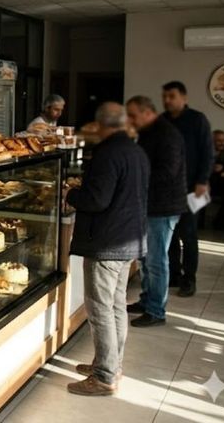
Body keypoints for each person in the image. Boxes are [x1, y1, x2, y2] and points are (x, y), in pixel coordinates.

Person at [65, 102, 149, 397]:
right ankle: (111, 363)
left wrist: (71, 193)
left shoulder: (108, 153)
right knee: (115, 307)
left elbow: (97, 200)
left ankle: (103, 377)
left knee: (99, 308)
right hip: (129, 239)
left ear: (100, 125)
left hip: (108, 243)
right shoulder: (136, 151)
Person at [125, 96, 187, 328]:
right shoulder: (150, 132)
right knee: (144, 258)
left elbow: (167, 173)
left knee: (156, 260)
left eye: (132, 115)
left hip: (163, 207)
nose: (130, 120)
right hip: (148, 205)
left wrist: (136, 179)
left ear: (147, 112)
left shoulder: (166, 134)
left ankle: (156, 310)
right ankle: (147, 300)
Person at [161, 81, 214, 297]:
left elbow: (207, 153)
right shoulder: (162, 121)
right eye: (165, 96)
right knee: (169, 235)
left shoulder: (197, 119)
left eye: (172, 96)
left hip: (191, 186)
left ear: (184, 97)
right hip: (166, 188)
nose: (167, 100)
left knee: (189, 235)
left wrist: (202, 180)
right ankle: (173, 275)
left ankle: (188, 279)